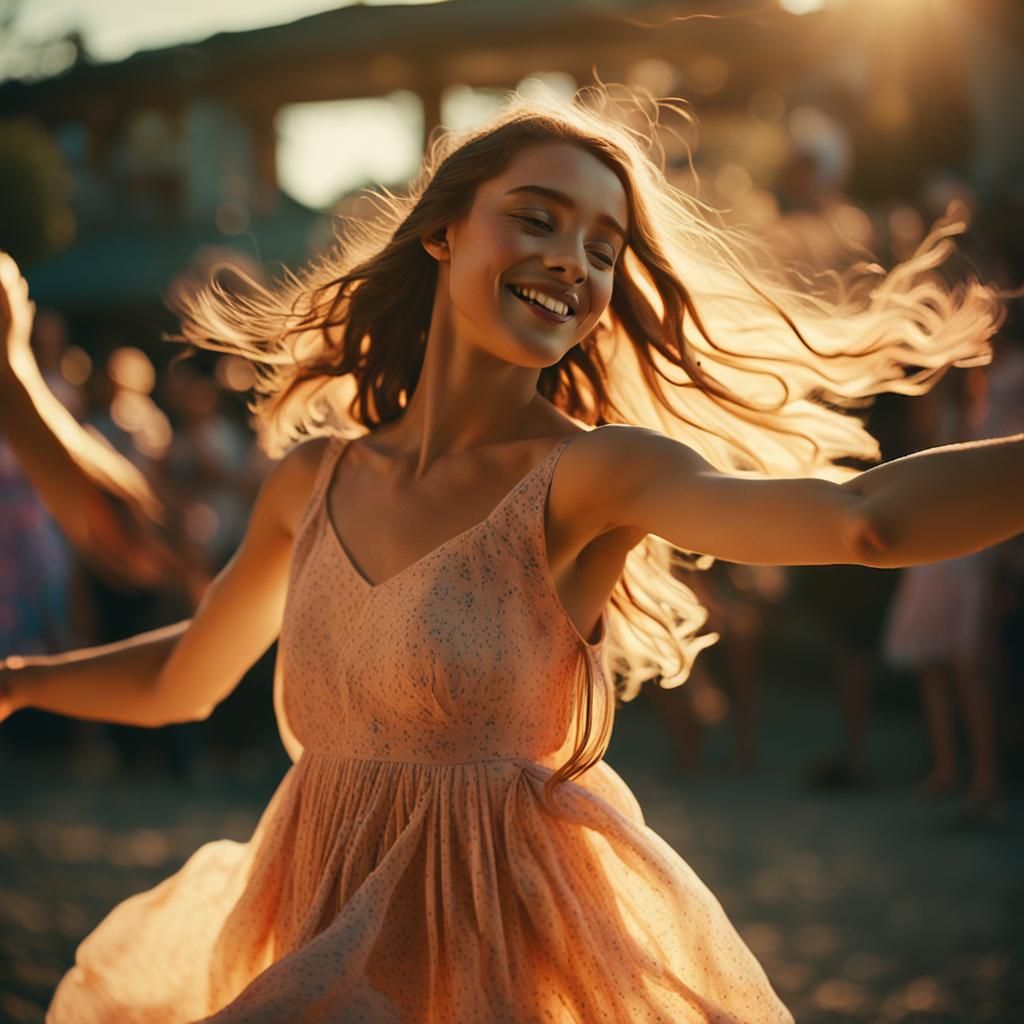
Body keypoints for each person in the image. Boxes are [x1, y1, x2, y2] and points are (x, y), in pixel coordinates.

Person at [1, 85, 1020, 1023]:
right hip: (315, 933)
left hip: (496, 963)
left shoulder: (592, 477)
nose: (573, 260)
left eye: (602, 245)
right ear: (443, 230)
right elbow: (184, 678)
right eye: (536, 218)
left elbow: (864, 520)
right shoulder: (309, 484)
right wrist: (22, 680)